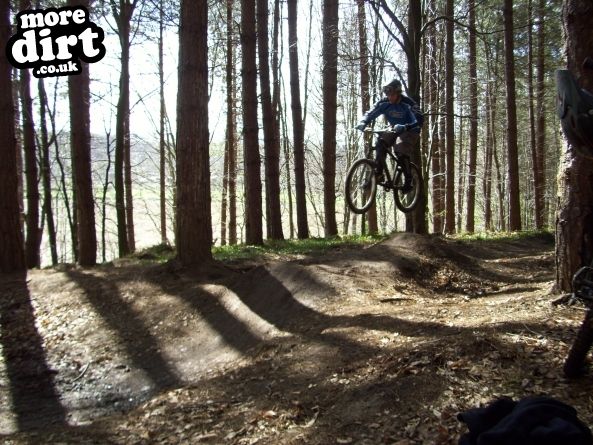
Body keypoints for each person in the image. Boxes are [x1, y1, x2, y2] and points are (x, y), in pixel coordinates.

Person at [356, 79, 423, 191]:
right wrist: (363, 122)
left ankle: (408, 180)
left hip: (411, 130)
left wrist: (406, 126)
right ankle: (379, 173)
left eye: (392, 95)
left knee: (400, 148)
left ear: (398, 93)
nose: (390, 97)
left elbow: (420, 120)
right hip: (394, 128)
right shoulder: (384, 103)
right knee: (380, 143)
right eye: (388, 95)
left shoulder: (408, 103)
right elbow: (371, 112)